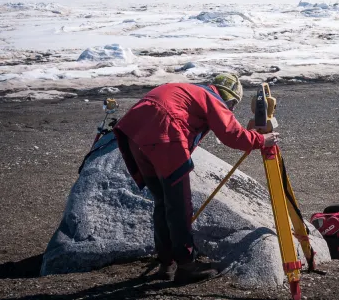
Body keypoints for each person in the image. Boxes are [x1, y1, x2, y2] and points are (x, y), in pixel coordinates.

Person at [113, 73, 278, 283]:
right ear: (230, 98)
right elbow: (230, 134)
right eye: (232, 105)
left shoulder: (188, 91)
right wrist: (261, 139)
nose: (231, 110)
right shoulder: (212, 97)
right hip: (165, 133)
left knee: (163, 203)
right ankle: (187, 265)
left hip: (135, 134)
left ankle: (167, 263)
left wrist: (250, 135)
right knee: (179, 205)